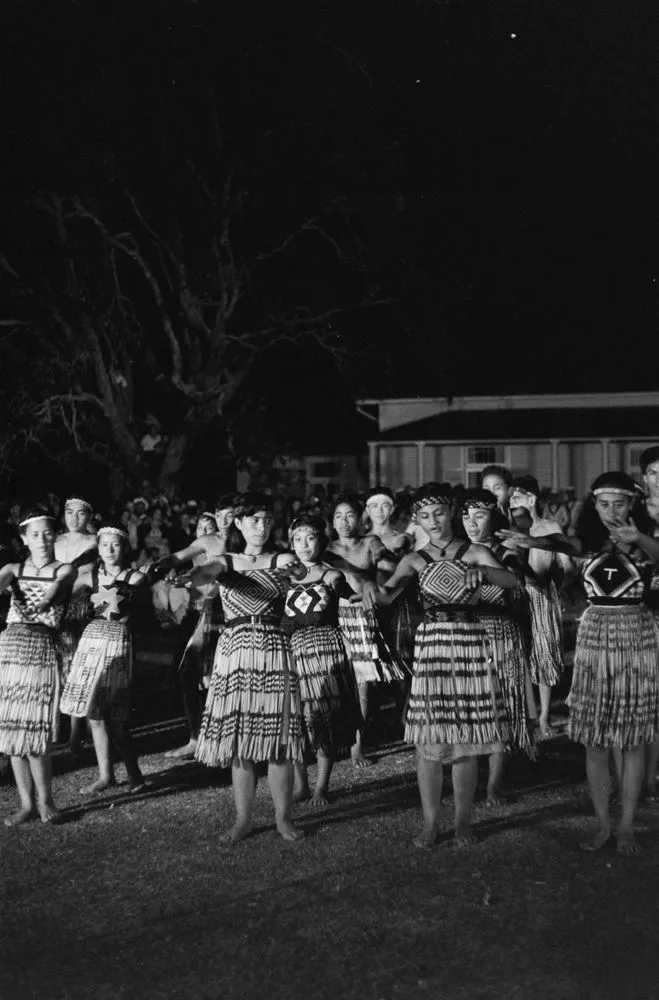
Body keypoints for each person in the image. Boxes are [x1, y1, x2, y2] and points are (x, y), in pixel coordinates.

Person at [374, 483, 516, 848]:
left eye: (438, 513)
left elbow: (513, 581)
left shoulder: (476, 552)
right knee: (430, 738)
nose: (433, 521)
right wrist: (365, 590)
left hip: (469, 642)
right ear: (416, 520)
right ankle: (431, 823)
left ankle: (464, 822)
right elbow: (386, 595)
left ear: (451, 512)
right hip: (432, 647)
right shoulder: (415, 559)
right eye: (424, 516)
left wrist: (484, 574)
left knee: (465, 737)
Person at [187, 492, 308, 844]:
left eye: (268, 520)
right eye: (254, 520)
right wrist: (193, 576)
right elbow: (208, 571)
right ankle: (243, 820)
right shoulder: (227, 560)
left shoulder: (280, 557)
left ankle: (283, 818)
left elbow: (296, 568)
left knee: (279, 741)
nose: (262, 526)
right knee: (240, 742)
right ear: (238, 523)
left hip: (273, 647)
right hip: (236, 651)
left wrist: (295, 570)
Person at [565, 473, 659, 853]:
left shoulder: (646, 539)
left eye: (619, 503)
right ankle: (603, 825)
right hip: (594, 640)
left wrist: (638, 540)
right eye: (604, 504)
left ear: (632, 504)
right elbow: (560, 544)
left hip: (636, 636)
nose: (611, 511)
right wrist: (532, 540)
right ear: (594, 505)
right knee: (595, 741)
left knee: (633, 740)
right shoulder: (586, 542)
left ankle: (626, 826)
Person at [457, 489, 535, 804]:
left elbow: (515, 577)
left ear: (494, 516)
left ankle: (493, 784)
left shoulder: (507, 550)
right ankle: (469, 777)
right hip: (466, 636)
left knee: (502, 707)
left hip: (501, 635)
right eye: (465, 515)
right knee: (472, 708)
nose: (471, 522)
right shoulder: (455, 551)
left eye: (480, 515)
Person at [0, 508, 76, 825]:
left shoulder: (64, 569)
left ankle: (47, 802)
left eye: (47, 533)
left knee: (36, 732)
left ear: (55, 535)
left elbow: (53, 594)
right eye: (34, 534)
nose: (42, 539)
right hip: (10, 650)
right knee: (13, 734)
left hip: (41, 646)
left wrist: (41, 601)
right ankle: (26, 804)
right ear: (24, 538)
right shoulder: (12, 568)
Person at [60, 524, 148, 795]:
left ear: (124, 547)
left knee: (115, 714)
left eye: (116, 544)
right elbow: (61, 594)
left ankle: (135, 777)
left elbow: (122, 606)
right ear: (98, 548)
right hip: (91, 640)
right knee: (93, 713)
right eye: (104, 544)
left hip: (117, 641)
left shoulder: (135, 577)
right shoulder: (89, 574)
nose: (110, 549)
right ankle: (105, 775)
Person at [151, 497, 236, 760]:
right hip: (207, 611)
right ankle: (195, 738)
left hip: (235, 613)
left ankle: (227, 738)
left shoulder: (246, 545)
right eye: (220, 515)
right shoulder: (207, 542)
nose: (223, 521)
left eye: (229, 515)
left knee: (226, 676)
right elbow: (178, 557)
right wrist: (162, 566)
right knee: (190, 671)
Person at [284, 514, 360, 806]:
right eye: (298, 539)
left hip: (324, 649)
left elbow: (346, 592)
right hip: (291, 649)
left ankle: (321, 787)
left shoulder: (330, 574)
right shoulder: (284, 575)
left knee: (322, 716)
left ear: (322, 542)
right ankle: (301, 784)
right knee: (295, 719)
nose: (304, 544)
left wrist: (356, 594)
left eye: (311, 537)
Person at [325, 493, 403, 767]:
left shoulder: (371, 541)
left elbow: (383, 559)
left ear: (360, 518)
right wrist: (366, 580)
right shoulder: (326, 548)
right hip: (335, 615)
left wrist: (383, 565)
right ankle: (334, 740)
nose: (344, 521)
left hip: (363, 616)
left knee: (364, 683)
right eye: (338, 516)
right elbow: (343, 575)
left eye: (349, 515)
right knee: (338, 679)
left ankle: (358, 745)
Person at [502, 476, 576, 738]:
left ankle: (544, 715)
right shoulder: (510, 529)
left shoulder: (549, 527)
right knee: (518, 655)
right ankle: (521, 714)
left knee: (544, 655)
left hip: (543, 596)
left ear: (531, 499)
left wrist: (566, 581)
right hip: (516, 596)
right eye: (511, 498)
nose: (512, 501)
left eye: (517, 497)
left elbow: (566, 562)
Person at [54, 496, 98, 749]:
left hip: (82, 608)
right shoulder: (54, 541)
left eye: (81, 514)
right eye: (69, 512)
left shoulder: (94, 542)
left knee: (80, 669)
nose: (74, 518)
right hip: (57, 609)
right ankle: (63, 731)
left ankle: (76, 734)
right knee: (60, 670)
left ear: (89, 517)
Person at [638, 445, 659, 800]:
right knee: (646, 698)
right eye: (654, 472)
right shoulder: (635, 514)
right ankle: (645, 776)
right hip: (642, 608)